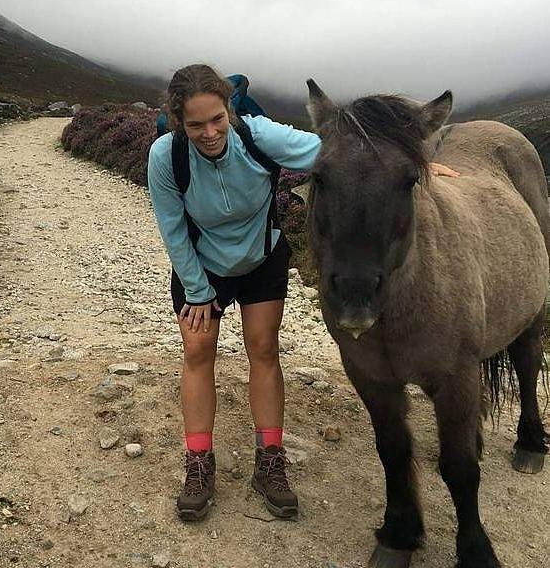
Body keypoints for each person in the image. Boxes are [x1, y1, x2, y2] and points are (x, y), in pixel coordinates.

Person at [147, 64, 457, 522]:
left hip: (261, 257)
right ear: (179, 122)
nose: (210, 132)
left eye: (217, 119)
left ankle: (269, 459)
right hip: (202, 264)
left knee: (263, 349)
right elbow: (172, 228)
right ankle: (198, 462)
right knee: (197, 350)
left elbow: (341, 156)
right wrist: (196, 291)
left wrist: (409, 160)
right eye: (196, 125)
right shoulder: (165, 157)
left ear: (229, 110)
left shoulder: (258, 136)